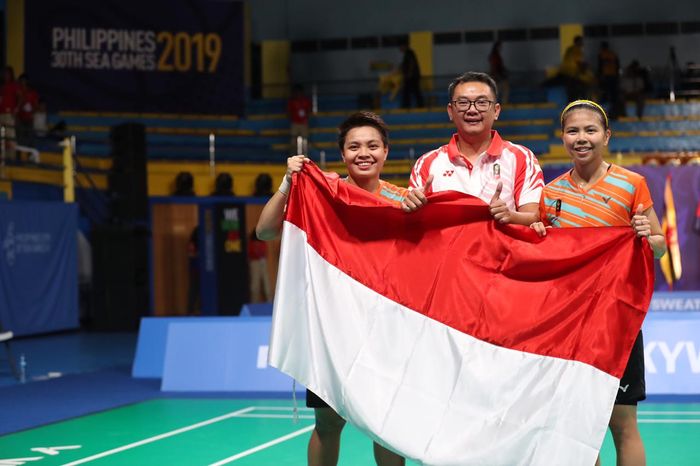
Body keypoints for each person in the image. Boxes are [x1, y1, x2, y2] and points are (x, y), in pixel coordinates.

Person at [256, 111, 430, 466]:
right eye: (354, 146)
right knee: (329, 421)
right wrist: (288, 183)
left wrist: (421, 214)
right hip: (332, 329)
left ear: (385, 152)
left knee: (388, 423)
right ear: (342, 153)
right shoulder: (324, 195)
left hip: (386, 330)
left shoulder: (402, 200)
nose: (363, 153)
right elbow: (265, 231)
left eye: (372, 146)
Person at [530, 100, 666, 466]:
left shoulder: (631, 184)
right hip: (569, 325)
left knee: (622, 426)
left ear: (606, 136)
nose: (581, 138)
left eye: (590, 130)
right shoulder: (551, 193)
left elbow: (661, 249)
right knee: (578, 429)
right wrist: (539, 230)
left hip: (617, 322)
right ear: (563, 137)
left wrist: (646, 235)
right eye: (573, 131)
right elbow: (544, 249)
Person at [407, 71, 544, 225]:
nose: (472, 110)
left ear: (496, 111)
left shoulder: (521, 157)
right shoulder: (426, 163)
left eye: (482, 102)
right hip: (447, 249)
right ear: (450, 111)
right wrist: (411, 207)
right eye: (463, 102)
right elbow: (414, 222)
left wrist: (510, 216)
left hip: (502, 248)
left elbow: (534, 217)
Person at [597, 42, 621, 119]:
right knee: (613, 96)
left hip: (606, 76)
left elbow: (600, 66)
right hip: (613, 76)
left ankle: (606, 114)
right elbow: (618, 66)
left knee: (605, 95)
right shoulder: (613, 54)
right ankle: (612, 114)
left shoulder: (601, 54)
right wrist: (617, 76)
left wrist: (600, 76)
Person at [287, 84, 312, 155]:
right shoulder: (291, 101)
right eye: (296, 92)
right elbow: (288, 112)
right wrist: (293, 118)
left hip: (304, 123)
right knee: (293, 141)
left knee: (305, 140)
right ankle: (292, 155)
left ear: (302, 92)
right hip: (295, 123)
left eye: (299, 92)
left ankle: (305, 156)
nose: (298, 94)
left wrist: (306, 118)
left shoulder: (306, 101)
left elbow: (309, 110)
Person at [0, 66, 19, 160]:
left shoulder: (14, 85)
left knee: (10, 136)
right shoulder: (2, 86)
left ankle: (12, 158)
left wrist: (16, 109)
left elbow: (20, 98)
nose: (6, 75)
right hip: (0, 114)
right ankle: (3, 157)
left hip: (9, 114)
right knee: (1, 137)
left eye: (8, 73)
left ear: (11, 75)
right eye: (4, 73)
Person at [247, 230, 271, 303]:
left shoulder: (262, 242)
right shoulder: (251, 243)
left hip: (262, 262)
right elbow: (251, 253)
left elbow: (265, 251)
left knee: (266, 283)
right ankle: (254, 302)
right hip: (255, 263)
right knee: (255, 284)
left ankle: (269, 301)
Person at [399, 44, 423, 108]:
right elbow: (403, 65)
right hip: (412, 76)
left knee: (410, 91)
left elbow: (411, 63)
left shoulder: (409, 53)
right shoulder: (408, 54)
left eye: (401, 47)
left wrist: (409, 73)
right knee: (413, 91)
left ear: (404, 46)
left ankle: (407, 105)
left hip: (412, 76)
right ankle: (418, 104)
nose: (400, 49)